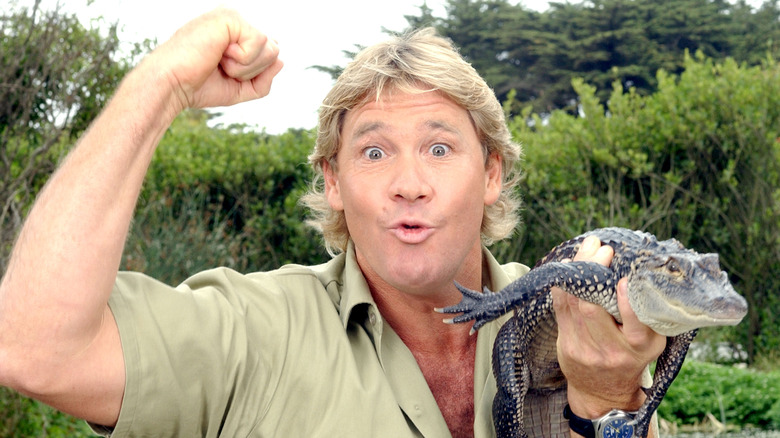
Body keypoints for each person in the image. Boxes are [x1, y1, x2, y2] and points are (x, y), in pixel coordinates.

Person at [0, 8, 666, 438]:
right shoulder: (249, 333)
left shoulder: (575, 312)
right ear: (333, 181)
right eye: (374, 151)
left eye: (440, 147)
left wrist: (603, 398)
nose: (409, 184)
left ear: (491, 172)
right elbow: (32, 349)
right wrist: (161, 83)